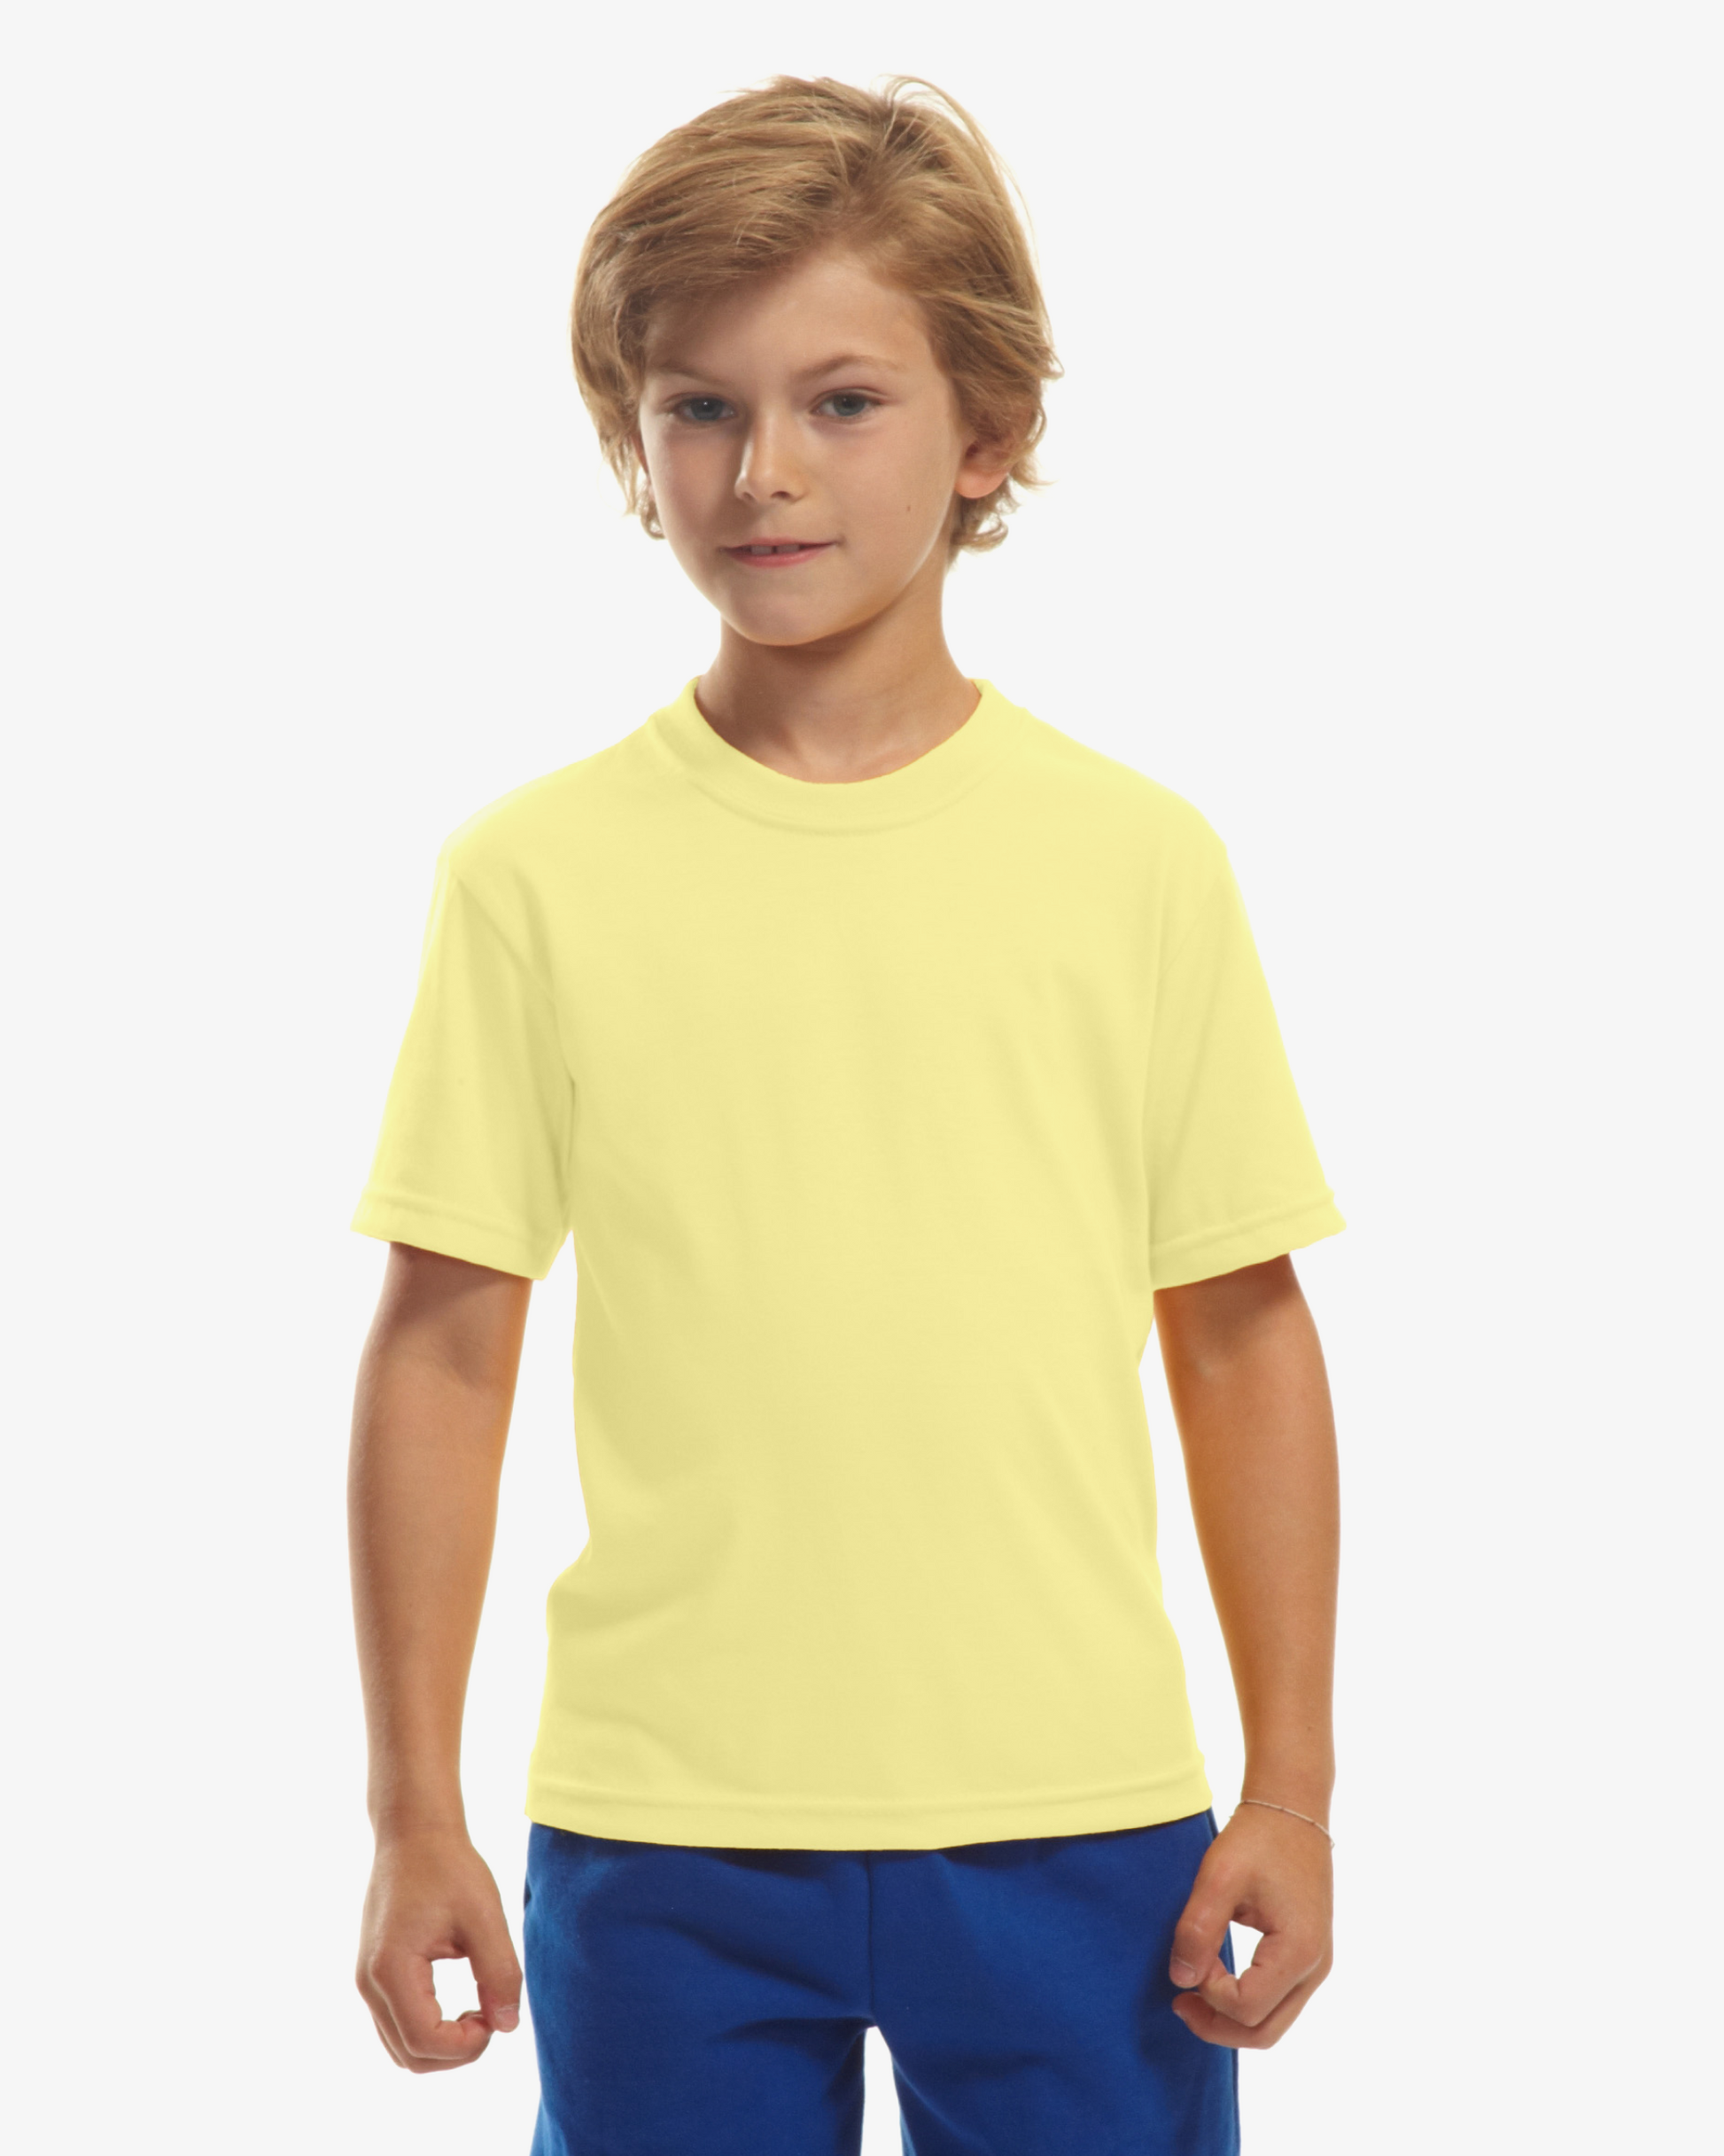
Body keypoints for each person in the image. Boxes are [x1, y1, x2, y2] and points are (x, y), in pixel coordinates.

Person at [347, 73, 1344, 2156]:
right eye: (697, 407)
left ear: (986, 430)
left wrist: (1293, 1788)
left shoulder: (1134, 862)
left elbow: (1240, 1337)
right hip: (661, 1825)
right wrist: (412, 1809)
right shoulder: (533, 877)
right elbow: (443, 1355)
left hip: (1079, 1817)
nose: (762, 471)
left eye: (842, 403)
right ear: (631, 438)